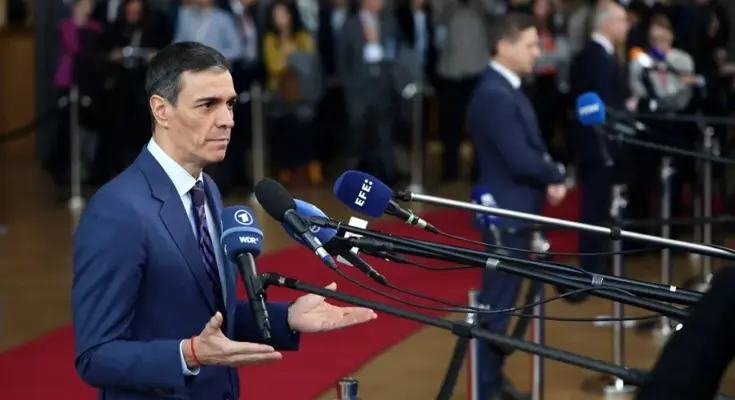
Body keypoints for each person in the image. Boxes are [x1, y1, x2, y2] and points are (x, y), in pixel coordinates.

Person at [72, 42, 377, 400]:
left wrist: (286, 317)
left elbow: (206, 314)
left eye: (230, 104)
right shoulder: (116, 211)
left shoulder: (208, 191)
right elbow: (95, 356)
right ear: (161, 110)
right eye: (208, 105)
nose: (227, 120)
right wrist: (189, 354)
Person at [466, 12, 567, 400]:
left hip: (517, 208)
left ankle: (492, 381)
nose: (537, 52)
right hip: (506, 212)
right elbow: (519, 157)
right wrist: (555, 173)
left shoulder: (507, 88)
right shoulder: (494, 93)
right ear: (503, 46)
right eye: (530, 45)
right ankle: (486, 387)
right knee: (497, 305)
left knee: (503, 305)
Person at [570, 1, 629, 280]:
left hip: (604, 145)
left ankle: (599, 261)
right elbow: (599, 105)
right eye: (622, 20)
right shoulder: (593, 55)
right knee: (594, 206)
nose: (626, 26)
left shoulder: (604, 54)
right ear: (606, 23)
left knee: (602, 205)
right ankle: (591, 265)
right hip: (596, 146)